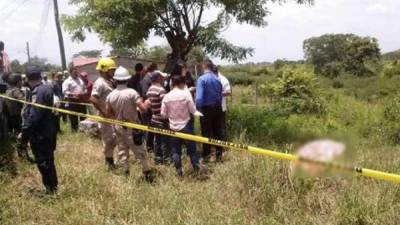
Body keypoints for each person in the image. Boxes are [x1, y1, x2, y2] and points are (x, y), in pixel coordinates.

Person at [106, 66, 153, 180]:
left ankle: (126, 173)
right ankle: (147, 173)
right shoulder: (132, 93)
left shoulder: (110, 95)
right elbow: (143, 109)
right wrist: (147, 102)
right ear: (127, 79)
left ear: (116, 80)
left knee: (122, 150)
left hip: (118, 127)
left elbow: (108, 113)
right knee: (139, 150)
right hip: (132, 126)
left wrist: (117, 120)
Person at [19, 66, 58, 194]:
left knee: (43, 162)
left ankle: (50, 190)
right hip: (49, 131)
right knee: (49, 160)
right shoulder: (47, 88)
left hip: (40, 134)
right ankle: (53, 188)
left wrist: (24, 135)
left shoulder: (37, 92)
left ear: (28, 79)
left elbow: (34, 116)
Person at [161, 76, 200, 177]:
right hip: (186, 125)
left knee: (175, 151)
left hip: (173, 126)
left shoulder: (166, 96)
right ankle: (196, 171)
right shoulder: (186, 95)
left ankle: (179, 173)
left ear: (172, 84)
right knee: (192, 150)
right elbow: (192, 110)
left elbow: (163, 114)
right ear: (182, 84)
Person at [90, 58, 117, 170]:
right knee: (108, 140)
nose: (114, 72)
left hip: (112, 116)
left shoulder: (109, 81)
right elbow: (93, 98)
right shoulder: (100, 83)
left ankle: (112, 160)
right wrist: (105, 112)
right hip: (105, 117)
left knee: (114, 138)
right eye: (112, 70)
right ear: (105, 70)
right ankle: (109, 163)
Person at [196, 60, 223, 162]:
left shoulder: (202, 79)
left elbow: (199, 98)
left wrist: (197, 109)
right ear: (211, 67)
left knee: (206, 133)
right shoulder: (217, 79)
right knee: (217, 132)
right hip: (217, 108)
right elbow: (220, 95)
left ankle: (207, 156)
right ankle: (219, 155)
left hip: (206, 109)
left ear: (204, 66)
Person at [4, 73, 34, 162]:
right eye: (21, 81)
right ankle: (24, 157)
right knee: (23, 135)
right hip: (19, 117)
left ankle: (22, 155)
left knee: (18, 135)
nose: (22, 82)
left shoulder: (7, 91)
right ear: (18, 82)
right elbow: (24, 101)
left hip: (12, 117)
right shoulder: (16, 91)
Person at [146, 70, 170, 165]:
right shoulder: (161, 90)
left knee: (157, 140)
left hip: (154, 118)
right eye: (162, 77)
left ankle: (158, 159)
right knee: (165, 141)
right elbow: (165, 106)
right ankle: (167, 160)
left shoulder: (150, 89)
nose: (164, 79)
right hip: (162, 119)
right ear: (158, 78)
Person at [62, 66, 86, 131]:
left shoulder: (80, 80)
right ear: (70, 72)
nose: (76, 73)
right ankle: (74, 131)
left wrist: (84, 91)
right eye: (75, 72)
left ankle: (83, 130)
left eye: (77, 72)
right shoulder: (67, 81)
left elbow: (83, 87)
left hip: (81, 101)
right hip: (72, 102)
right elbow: (65, 92)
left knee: (83, 116)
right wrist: (74, 94)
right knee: (73, 117)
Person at [141, 63, 158, 152]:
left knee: (151, 129)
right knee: (148, 128)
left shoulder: (148, 78)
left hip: (151, 107)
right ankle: (149, 148)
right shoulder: (146, 79)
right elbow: (144, 94)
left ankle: (150, 147)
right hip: (148, 107)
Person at [213, 65, 232, 140]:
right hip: (211, 108)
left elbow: (228, 92)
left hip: (221, 108)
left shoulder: (223, 80)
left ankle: (223, 146)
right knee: (213, 128)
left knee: (221, 128)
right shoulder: (212, 78)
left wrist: (217, 93)